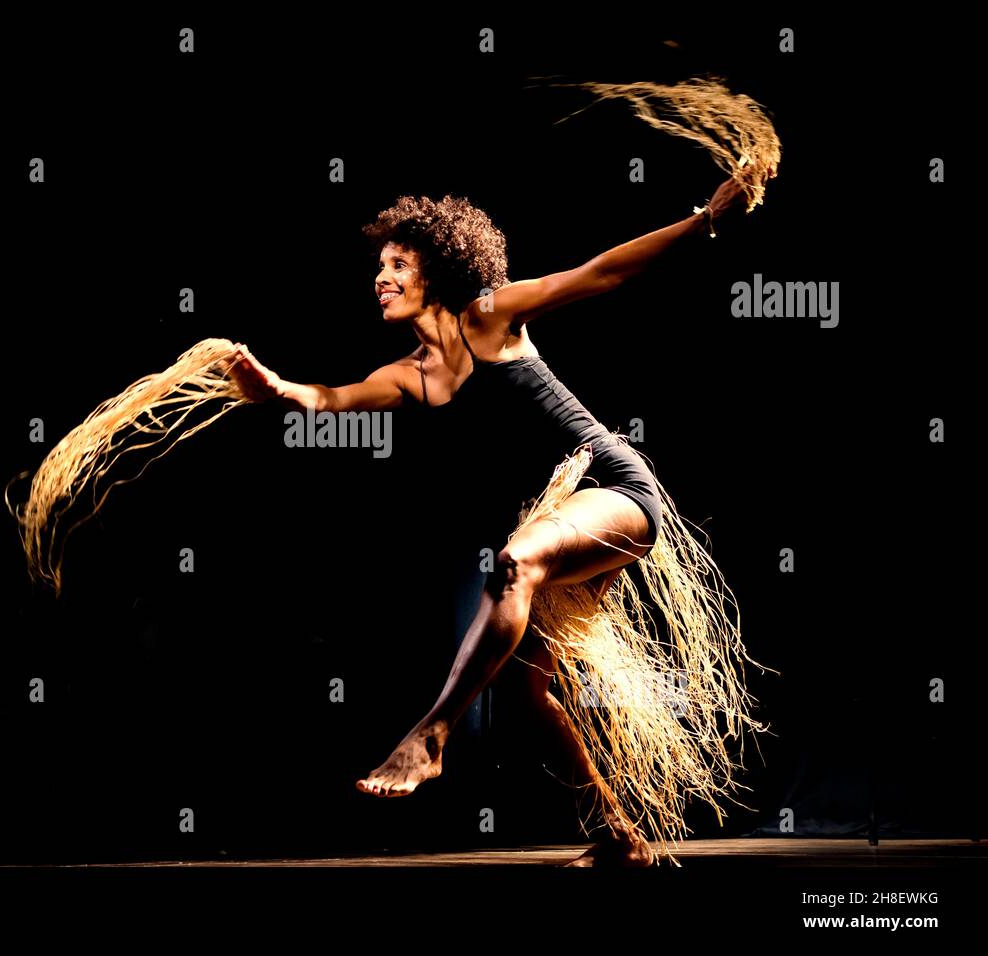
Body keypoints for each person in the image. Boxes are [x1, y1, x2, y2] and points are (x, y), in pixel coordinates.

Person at [227, 180, 754, 866]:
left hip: (614, 487)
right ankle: (618, 838)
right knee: (520, 686)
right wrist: (274, 388)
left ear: (439, 270)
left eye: (397, 266)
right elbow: (331, 400)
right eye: (380, 265)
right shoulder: (414, 373)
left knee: (515, 562)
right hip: (561, 515)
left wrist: (704, 220)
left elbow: (601, 271)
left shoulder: (490, 314)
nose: (379, 278)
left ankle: (432, 735)